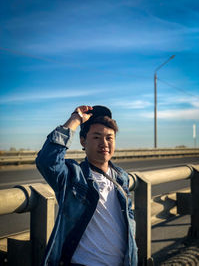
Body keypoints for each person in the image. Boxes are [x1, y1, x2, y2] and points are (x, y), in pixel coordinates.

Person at [36, 105, 138, 266]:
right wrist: (75, 120)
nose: (104, 143)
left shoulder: (121, 178)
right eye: (96, 137)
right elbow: (47, 161)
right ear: (83, 141)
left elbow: (129, 225)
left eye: (109, 138)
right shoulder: (74, 177)